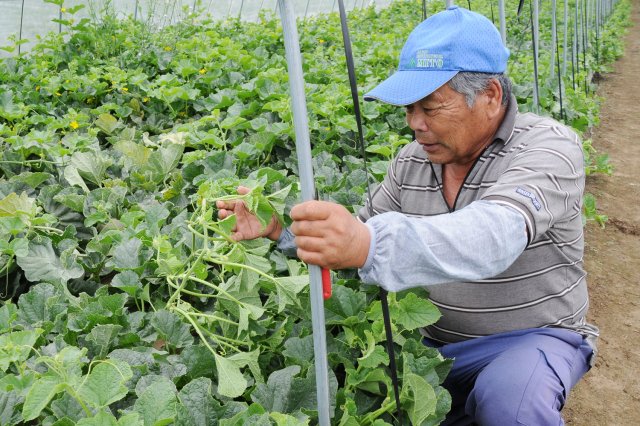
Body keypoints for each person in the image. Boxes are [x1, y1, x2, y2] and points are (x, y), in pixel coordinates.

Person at [217, 6, 598, 425]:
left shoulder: (548, 147)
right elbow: (355, 239)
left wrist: (368, 244)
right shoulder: (413, 162)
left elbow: (496, 235)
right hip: (429, 348)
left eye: (431, 108)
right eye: (408, 108)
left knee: (512, 402)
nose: (415, 124)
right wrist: (279, 231)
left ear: (490, 95)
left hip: (530, 340)